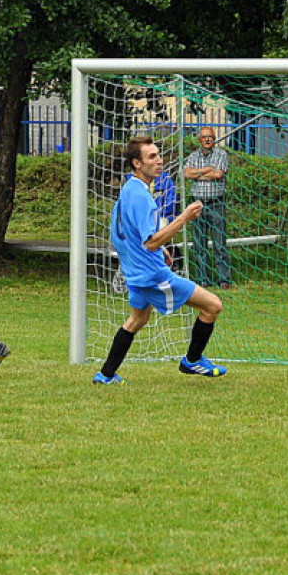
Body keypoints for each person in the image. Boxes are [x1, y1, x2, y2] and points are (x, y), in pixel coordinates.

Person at [94, 135, 226, 385]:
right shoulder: (141, 196)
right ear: (137, 163)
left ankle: (106, 375)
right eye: (152, 157)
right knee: (212, 306)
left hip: (136, 272)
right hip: (152, 275)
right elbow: (150, 241)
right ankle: (192, 361)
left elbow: (123, 234)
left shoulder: (129, 189)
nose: (159, 161)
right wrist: (184, 218)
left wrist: (157, 250)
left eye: (159, 155)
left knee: (137, 320)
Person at [183, 126, 231, 288]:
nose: (207, 139)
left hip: (216, 203)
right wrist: (206, 170)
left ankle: (224, 280)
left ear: (214, 139)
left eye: (210, 137)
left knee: (219, 244)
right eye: (204, 137)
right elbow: (187, 174)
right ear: (200, 140)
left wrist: (197, 174)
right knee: (199, 244)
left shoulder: (221, 154)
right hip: (197, 204)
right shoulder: (193, 156)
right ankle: (203, 280)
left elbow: (218, 174)